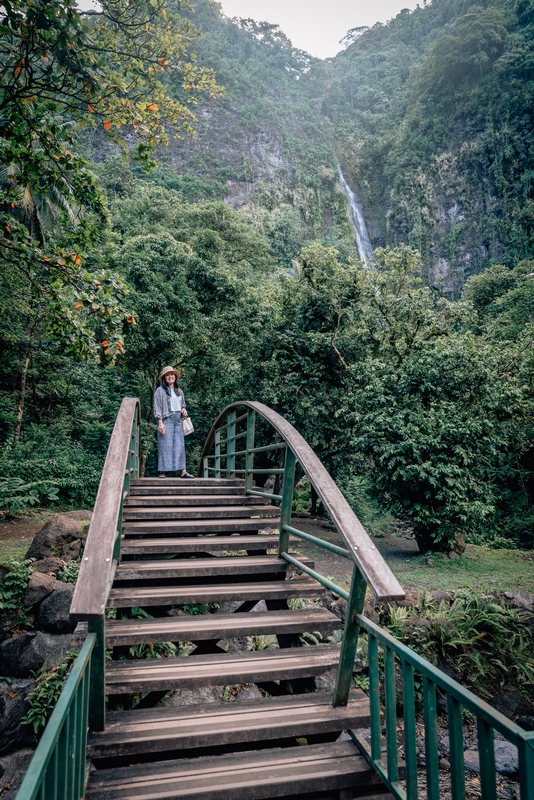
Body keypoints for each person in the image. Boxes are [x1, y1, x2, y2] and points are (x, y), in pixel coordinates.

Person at [153, 366, 193, 478]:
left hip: (178, 420)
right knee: (164, 445)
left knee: (180, 446)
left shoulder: (179, 391)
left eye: (172, 374)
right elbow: (157, 408)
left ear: (175, 376)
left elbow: (183, 406)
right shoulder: (160, 391)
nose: (170, 376)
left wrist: (184, 411)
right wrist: (160, 422)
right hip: (166, 419)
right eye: (167, 375)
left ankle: (183, 471)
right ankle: (162, 471)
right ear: (164, 378)